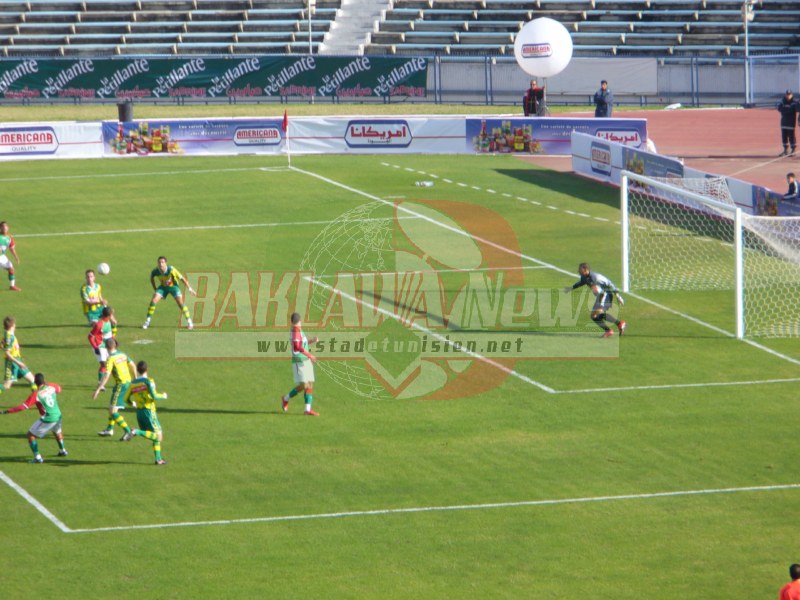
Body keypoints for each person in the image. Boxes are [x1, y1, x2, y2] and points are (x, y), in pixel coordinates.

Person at [1, 373, 68, 463]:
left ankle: (38, 458)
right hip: (58, 415)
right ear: (44, 380)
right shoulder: (51, 387)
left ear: (35, 383)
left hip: (48, 418)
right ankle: (63, 450)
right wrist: (47, 384)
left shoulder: (36, 394)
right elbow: (59, 389)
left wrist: (6, 411)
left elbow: (23, 407)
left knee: (30, 435)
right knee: (57, 431)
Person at [121, 360, 168, 465]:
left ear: (137, 370)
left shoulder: (133, 384)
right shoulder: (148, 381)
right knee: (158, 436)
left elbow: (125, 399)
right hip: (149, 412)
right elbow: (154, 395)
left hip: (139, 412)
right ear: (147, 369)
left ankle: (158, 459)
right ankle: (136, 432)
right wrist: (163, 396)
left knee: (155, 435)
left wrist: (132, 404)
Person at [563, 263, 627, 338]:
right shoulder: (584, 277)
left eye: (580, 269)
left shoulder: (596, 277)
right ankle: (612, 328)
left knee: (598, 312)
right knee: (594, 316)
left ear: (586, 270)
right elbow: (580, 283)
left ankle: (616, 326)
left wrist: (618, 296)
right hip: (600, 296)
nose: (578, 271)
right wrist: (570, 288)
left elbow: (610, 284)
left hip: (606, 294)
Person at [91, 338, 135, 438]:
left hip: (121, 385)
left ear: (106, 347)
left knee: (112, 411)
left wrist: (98, 389)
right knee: (112, 406)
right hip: (126, 382)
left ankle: (128, 431)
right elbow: (132, 365)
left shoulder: (110, 359)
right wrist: (135, 379)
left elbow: (107, 375)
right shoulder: (122, 354)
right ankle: (109, 429)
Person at [280, 312, 319, 416]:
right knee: (305, 385)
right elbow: (297, 347)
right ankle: (286, 398)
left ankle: (307, 409)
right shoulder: (296, 331)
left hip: (304, 360)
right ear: (300, 321)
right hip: (300, 361)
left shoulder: (298, 330)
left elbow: (302, 344)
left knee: (308, 384)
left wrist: (312, 341)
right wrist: (310, 355)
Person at [142, 256, 196, 330]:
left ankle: (190, 322)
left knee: (180, 303)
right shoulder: (155, 271)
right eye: (159, 262)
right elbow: (151, 278)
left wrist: (190, 288)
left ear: (166, 263)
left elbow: (182, 278)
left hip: (174, 287)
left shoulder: (171, 269)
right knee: (154, 300)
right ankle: (147, 321)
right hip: (163, 288)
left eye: (162, 262)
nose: (161, 264)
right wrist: (155, 289)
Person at [2, 315, 36, 393]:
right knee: (6, 386)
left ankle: (36, 400)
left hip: (17, 360)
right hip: (12, 363)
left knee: (32, 380)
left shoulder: (8, 334)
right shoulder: (9, 337)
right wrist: (18, 363)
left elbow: (3, 344)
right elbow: (7, 354)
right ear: (12, 325)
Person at [88, 306, 116, 386]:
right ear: (109, 315)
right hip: (99, 346)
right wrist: (95, 347)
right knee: (104, 365)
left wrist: (114, 341)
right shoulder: (99, 324)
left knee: (112, 363)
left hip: (106, 346)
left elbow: (108, 334)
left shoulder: (108, 321)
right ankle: (100, 384)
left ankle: (111, 381)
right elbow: (90, 336)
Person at [0, 221, 21, 292]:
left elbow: (11, 248)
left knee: (11, 269)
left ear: (8, 228)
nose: (4, 228)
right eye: (2, 226)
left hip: (2, 257)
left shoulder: (9, 237)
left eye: (5, 226)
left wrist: (16, 257)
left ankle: (12, 286)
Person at [777, 89, 799, 157]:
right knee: (784, 137)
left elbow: (797, 109)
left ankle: (793, 150)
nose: (788, 96)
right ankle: (785, 150)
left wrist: (786, 110)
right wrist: (788, 110)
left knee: (791, 137)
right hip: (783, 122)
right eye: (787, 94)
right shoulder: (782, 101)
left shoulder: (794, 102)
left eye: (789, 94)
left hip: (791, 123)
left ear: (792, 95)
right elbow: (779, 108)